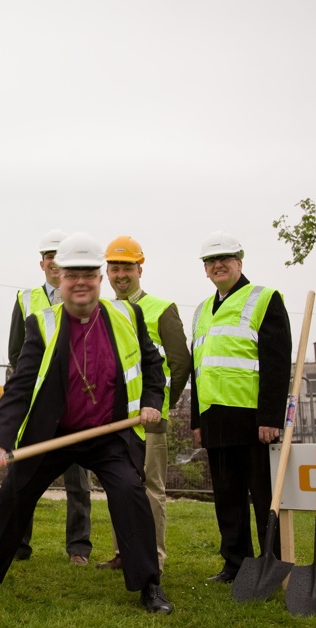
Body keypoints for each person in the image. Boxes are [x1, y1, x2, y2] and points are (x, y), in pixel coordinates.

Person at [0, 232, 173, 614]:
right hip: (55, 432)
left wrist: (152, 402)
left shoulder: (127, 315)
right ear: (59, 278)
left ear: (99, 277)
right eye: (72, 274)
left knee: (130, 493)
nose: (80, 281)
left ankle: (149, 585)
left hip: (109, 433)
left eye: (88, 273)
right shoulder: (42, 325)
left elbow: (152, 366)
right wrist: (0, 440)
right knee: (14, 494)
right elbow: (17, 390)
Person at [190, 231, 292, 583]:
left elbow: (277, 363)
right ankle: (235, 565)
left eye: (225, 259)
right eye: (210, 261)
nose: (218, 265)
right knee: (227, 499)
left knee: (264, 497)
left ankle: (271, 562)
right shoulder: (202, 310)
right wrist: (196, 419)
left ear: (239, 263)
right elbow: (198, 367)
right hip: (215, 419)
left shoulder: (264, 299)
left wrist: (270, 417)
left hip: (252, 420)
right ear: (205, 270)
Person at [96, 236, 191, 574]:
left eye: (126, 267)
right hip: (114, 422)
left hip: (149, 421)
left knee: (151, 490)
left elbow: (180, 364)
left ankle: (153, 558)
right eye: (114, 267)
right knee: (119, 488)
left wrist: (161, 405)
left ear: (140, 268)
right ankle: (124, 554)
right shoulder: (104, 311)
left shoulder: (162, 310)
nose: (120, 274)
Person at [6, 229, 92, 565]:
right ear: (42, 263)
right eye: (49, 256)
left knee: (78, 480)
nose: (55, 262)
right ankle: (19, 543)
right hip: (37, 403)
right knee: (25, 472)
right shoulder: (25, 299)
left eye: (61, 256)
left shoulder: (83, 297)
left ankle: (78, 547)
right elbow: (15, 351)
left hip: (75, 402)